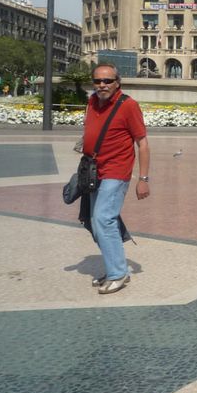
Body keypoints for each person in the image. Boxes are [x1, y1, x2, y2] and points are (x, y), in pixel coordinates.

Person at [82, 64, 150, 294]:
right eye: (98, 81)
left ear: (117, 82)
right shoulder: (92, 102)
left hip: (116, 171)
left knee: (103, 219)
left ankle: (118, 273)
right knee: (94, 220)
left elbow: (142, 143)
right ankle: (115, 267)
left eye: (107, 81)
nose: (102, 85)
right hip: (94, 171)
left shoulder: (128, 105)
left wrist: (143, 178)